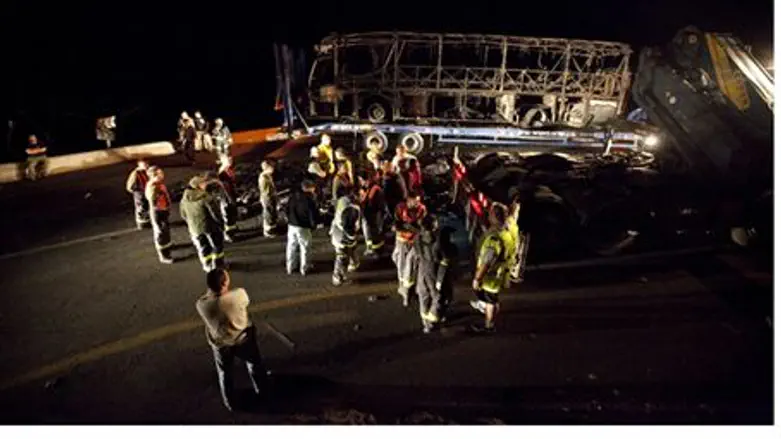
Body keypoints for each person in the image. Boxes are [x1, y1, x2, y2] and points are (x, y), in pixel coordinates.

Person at [195, 268, 269, 412]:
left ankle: (230, 402)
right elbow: (245, 301)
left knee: (225, 373)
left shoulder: (202, 305)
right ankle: (263, 391)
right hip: (242, 338)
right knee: (254, 363)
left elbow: (206, 297)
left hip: (221, 344)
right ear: (224, 284)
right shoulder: (238, 294)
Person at [470, 204, 513, 333]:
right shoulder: (506, 233)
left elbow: (487, 261)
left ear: (493, 216)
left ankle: (489, 326)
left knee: (490, 301)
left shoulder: (494, 238)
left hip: (491, 277)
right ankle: (491, 320)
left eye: (490, 214)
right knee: (493, 299)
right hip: (500, 274)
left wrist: (478, 278)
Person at [181, 175, 226, 272]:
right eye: (203, 183)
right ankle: (218, 265)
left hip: (195, 229)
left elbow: (183, 215)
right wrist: (221, 224)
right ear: (198, 186)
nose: (205, 184)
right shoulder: (206, 198)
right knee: (217, 246)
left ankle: (207, 265)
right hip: (210, 228)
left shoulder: (184, 199)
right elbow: (215, 214)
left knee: (203, 248)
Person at [392, 194, 427, 306]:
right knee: (401, 265)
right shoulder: (400, 208)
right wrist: (407, 228)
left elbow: (422, 226)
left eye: (418, 201)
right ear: (408, 200)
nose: (417, 203)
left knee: (411, 267)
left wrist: (410, 228)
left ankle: (408, 292)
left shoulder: (422, 209)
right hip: (402, 241)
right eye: (415, 201)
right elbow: (396, 224)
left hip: (415, 243)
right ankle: (405, 291)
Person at [414, 215, 443, 333]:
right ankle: (432, 316)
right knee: (437, 295)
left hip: (422, 267)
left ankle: (425, 323)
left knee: (423, 294)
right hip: (433, 269)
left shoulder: (417, 238)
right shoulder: (437, 240)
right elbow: (441, 257)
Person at [286, 180, 319, 276]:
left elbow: (287, 209)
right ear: (309, 188)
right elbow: (312, 214)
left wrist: (289, 219)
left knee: (291, 246)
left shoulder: (293, 197)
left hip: (292, 225)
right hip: (303, 226)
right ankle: (305, 268)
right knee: (305, 247)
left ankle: (290, 267)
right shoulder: (309, 200)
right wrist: (314, 225)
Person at [330, 190, 361, 286]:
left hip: (336, 232)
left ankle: (351, 265)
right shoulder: (353, 209)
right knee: (341, 257)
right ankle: (337, 278)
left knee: (345, 253)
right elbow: (349, 226)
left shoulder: (342, 200)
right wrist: (352, 237)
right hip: (343, 236)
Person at [145, 166, 174, 264]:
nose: (163, 174)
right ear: (154, 175)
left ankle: (167, 245)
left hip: (163, 210)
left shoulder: (159, 184)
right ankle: (164, 255)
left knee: (165, 229)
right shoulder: (153, 187)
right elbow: (152, 200)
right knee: (160, 232)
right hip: (158, 212)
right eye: (160, 173)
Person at [358, 175, 386, 258]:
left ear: (367, 180)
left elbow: (371, 203)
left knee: (373, 233)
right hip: (370, 215)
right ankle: (373, 249)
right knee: (371, 233)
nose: (361, 183)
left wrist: (362, 197)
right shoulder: (369, 188)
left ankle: (375, 251)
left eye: (361, 180)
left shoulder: (374, 189)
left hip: (373, 215)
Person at [125, 159, 151, 229]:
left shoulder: (147, 171)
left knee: (147, 206)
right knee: (141, 207)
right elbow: (130, 186)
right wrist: (136, 191)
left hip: (146, 191)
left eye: (147, 164)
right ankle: (141, 223)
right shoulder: (135, 173)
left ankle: (148, 221)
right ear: (139, 165)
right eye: (144, 164)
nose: (146, 166)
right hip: (139, 192)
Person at [218, 156, 239, 241]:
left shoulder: (228, 170)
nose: (231, 162)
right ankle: (228, 234)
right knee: (228, 216)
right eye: (229, 160)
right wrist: (231, 200)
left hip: (229, 197)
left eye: (231, 160)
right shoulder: (223, 174)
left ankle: (232, 229)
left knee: (231, 215)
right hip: (226, 199)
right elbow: (226, 189)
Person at [258, 160, 278, 237]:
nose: (273, 168)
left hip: (270, 196)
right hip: (267, 197)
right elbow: (264, 190)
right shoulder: (263, 177)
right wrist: (272, 194)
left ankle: (272, 228)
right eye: (271, 167)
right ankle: (268, 231)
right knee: (268, 213)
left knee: (271, 212)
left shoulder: (268, 175)